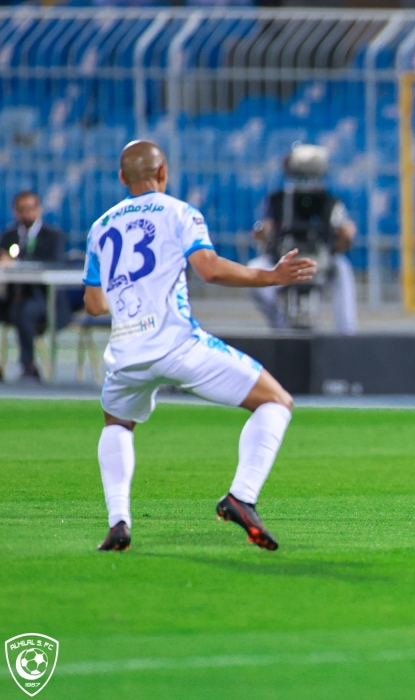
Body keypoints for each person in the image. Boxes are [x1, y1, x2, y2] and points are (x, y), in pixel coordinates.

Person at [83, 140, 316, 552]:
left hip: (126, 353)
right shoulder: (179, 212)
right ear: (163, 173)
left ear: (122, 178)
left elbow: (95, 303)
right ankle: (241, 496)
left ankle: (119, 520)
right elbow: (208, 269)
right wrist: (272, 277)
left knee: (117, 424)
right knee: (276, 401)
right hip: (176, 344)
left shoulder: (100, 227)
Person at [249, 144, 357, 333]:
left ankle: (347, 333)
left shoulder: (331, 202)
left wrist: (346, 235)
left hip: (321, 258)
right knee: (253, 270)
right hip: (283, 256)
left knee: (343, 269)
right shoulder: (276, 200)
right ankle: (281, 326)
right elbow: (263, 233)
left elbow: (343, 242)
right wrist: (264, 232)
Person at [0, 191, 71, 381]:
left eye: (31, 209)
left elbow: (56, 263)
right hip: (13, 297)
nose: (27, 214)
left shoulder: (53, 236)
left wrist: (19, 263)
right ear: (15, 212)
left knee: (24, 311)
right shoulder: (8, 237)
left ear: (38, 210)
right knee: (17, 309)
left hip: (44, 300)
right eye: (22, 210)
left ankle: (28, 366)